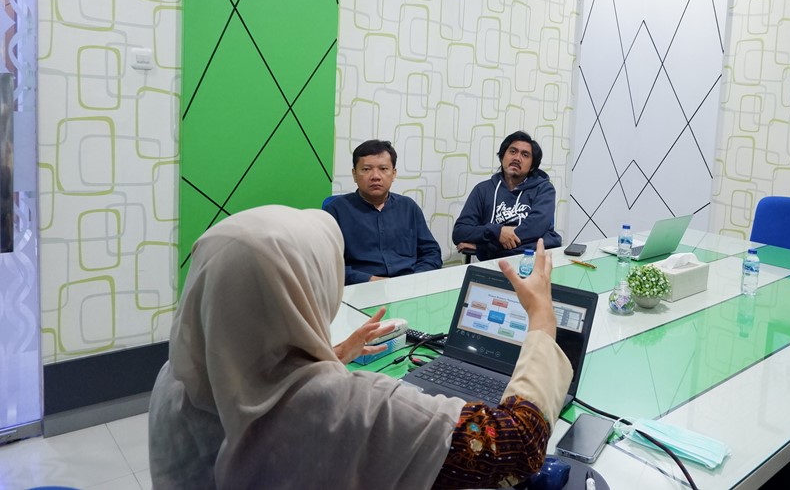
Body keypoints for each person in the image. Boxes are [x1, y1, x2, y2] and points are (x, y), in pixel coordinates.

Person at [148, 205, 571, 490]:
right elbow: (516, 446)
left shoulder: (174, 379)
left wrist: (328, 356)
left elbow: (250, 383)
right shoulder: (350, 409)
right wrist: (540, 319)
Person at [324, 139, 442, 284]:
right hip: (361, 287)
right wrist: (370, 280)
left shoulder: (408, 207)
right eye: (366, 169)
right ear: (354, 174)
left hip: (409, 285)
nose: (375, 176)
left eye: (383, 169)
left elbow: (431, 252)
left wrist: (416, 277)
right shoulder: (336, 210)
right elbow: (327, 263)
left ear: (394, 173)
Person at [452, 130, 562, 260]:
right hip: (494, 266)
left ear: (532, 166)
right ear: (502, 157)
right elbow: (460, 232)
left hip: (534, 262)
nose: (517, 158)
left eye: (525, 155)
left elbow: (535, 229)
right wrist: (497, 231)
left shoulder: (544, 189)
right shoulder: (483, 190)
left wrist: (484, 247)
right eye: (513, 151)